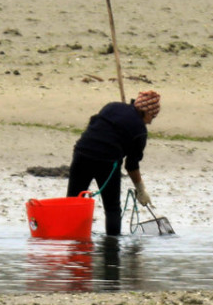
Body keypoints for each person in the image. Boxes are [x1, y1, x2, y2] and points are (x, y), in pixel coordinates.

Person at [66, 90, 161, 236]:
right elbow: (131, 165)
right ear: (145, 111)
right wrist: (141, 189)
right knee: (112, 208)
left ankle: (69, 239)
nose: (151, 121)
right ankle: (112, 247)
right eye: (152, 116)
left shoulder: (112, 107)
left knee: (72, 201)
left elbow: (93, 123)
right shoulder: (140, 131)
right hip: (107, 163)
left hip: (81, 154)